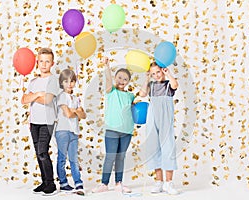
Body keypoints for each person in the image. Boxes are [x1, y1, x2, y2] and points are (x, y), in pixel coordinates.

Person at [92, 57, 134, 193]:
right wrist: (107, 66)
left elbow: (143, 94)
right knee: (110, 156)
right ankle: (104, 184)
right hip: (112, 130)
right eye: (120, 77)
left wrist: (146, 78)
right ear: (116, 78)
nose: (122, 81)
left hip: (127, 131)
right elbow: (108, 81)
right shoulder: (111, 92)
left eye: (125, 79)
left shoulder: (130, 96)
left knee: (121, 156)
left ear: (128, 82)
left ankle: (119, 182)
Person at [21, 47, 59, 196]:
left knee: (43, 151)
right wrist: (37, 94)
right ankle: (44, 182)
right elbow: (24, 99)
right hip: (34, 122)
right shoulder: (34, 81)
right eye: (41, 61)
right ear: (37, 62)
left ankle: (51, 184)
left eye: (47, 61)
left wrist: (35, 97)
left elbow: (48, 100)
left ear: (52, 63)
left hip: (47, 121)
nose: (44, 64)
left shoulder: (53, 80)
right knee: (38, 153)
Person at [139, 62, 179, 195]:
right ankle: (159, 181)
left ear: (162, 71)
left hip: (165, 118)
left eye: (158, 72)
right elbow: (142, 94)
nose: (156, 75)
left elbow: (175, 85)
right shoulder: (151, 85)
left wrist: (168, 73)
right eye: (153, 74)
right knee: (153, 147)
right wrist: (146, 79)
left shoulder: (168, 84)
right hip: (153, 118)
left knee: (168, 146)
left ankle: (169, 182)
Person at [55, 69, 86, 196]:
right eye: (66, 81)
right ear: (62, 83)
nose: (69, 84)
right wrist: (76, 111)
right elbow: (67, 114)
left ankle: (78, 183)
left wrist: (75, 111)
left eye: (72, 81)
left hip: (74, 131)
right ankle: (63, 183)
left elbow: (83, 115)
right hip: (62, 130)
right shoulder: (61, 96)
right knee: (62, 159)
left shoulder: (75, 98)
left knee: (74, 159)